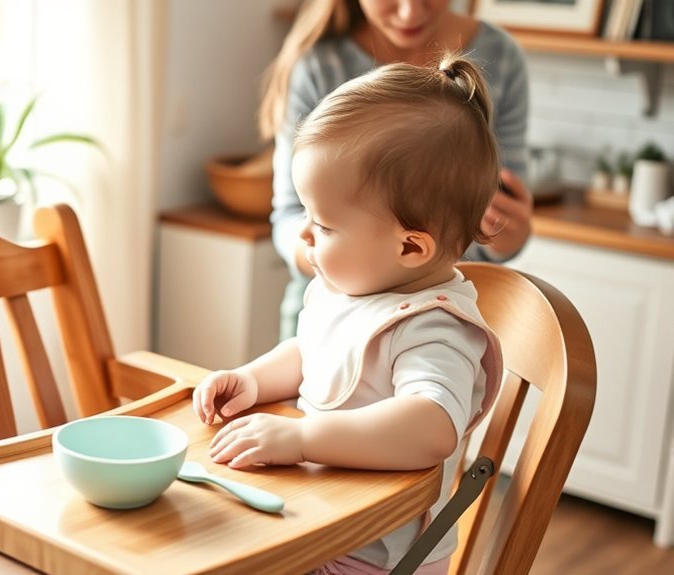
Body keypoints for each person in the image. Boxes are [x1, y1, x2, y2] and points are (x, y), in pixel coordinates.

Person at [192, 54, 505, 574]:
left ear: (410, 248)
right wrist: (251, 380)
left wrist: (301, 438)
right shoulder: (350, 288)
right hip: (322, 518)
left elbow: (432, 425)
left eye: (326, 226)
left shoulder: (434, 326)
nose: (305, 235)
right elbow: (310, 353)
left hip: (375, 557)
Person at [262, 0, 534, 340]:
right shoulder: (319, 64)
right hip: (330, 309)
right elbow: (288, 217)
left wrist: (507, 235)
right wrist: (331, 257)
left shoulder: (502, 58)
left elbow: (492, 223)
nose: (410, 12)